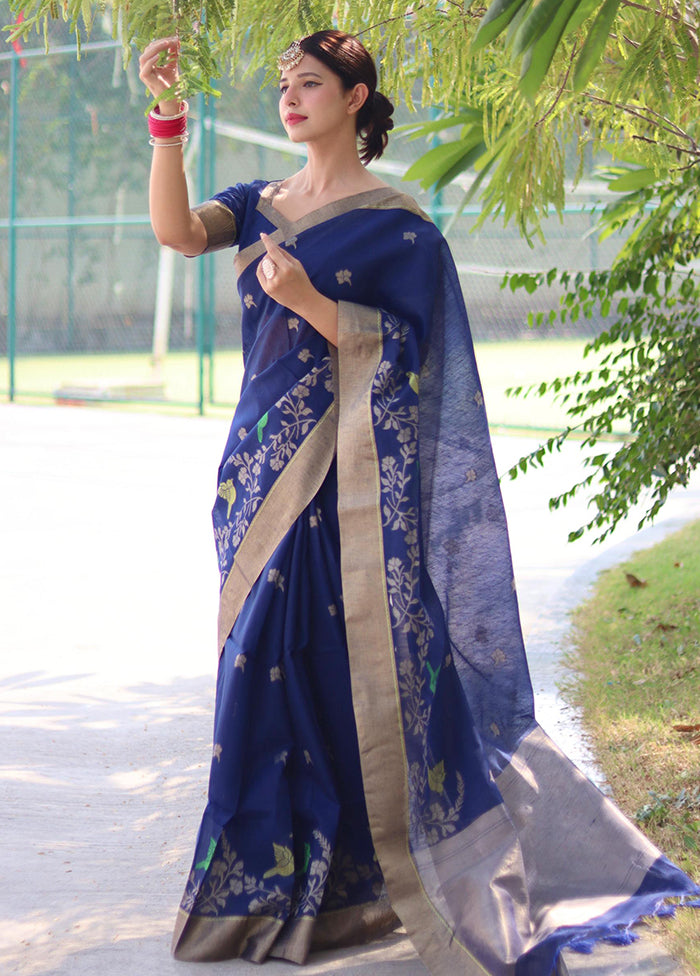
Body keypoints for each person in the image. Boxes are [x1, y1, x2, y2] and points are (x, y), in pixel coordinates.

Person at [138, 29, 699, 976]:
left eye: (309, 83)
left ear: (356, 98)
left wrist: (315, 303)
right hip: (255, 478)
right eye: (283, 84)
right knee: (257, 672)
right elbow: (179, 234)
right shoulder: (261, 205)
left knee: (349, 663)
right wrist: (165, 121)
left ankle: (366, 882)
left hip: (351, 488)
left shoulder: (400, 229)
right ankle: (269, 889)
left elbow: (415, 364)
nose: (290, 96)